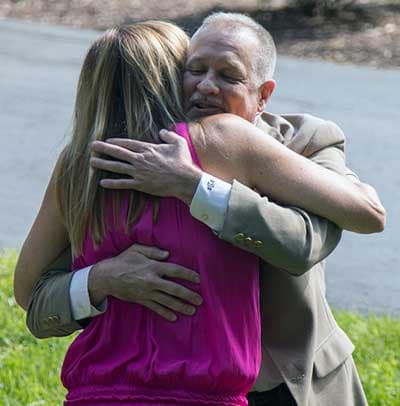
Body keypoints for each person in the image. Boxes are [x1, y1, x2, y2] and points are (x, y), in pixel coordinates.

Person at [14, 13, 385, 406]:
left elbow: (309, 242)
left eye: (228, 75)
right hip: (183, 386)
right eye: (195, 69)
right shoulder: (123, 159)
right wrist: (101, 278)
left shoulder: (306, 142)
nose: (206, 86)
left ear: (264, 94)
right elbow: (33, 293)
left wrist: (193, 186)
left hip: (294, 384)